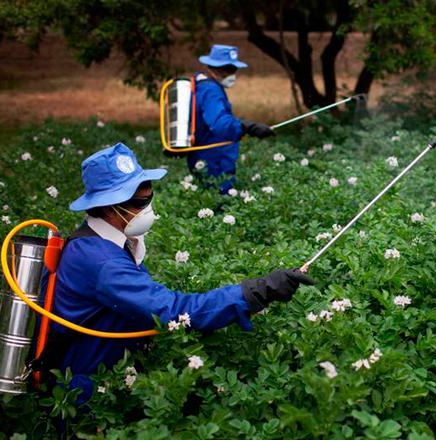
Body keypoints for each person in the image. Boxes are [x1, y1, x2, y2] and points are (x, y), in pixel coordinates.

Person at [39, 143, 313, 404]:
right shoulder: (103, 263)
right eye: (138, 202)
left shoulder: (100, 241)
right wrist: (256, 291)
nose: (147, 209)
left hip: (110, 375)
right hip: (86, 393)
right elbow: (172, 310)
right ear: (110, 206)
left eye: (150, 198)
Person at [185, 44, 274, 193]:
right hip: (214, 161)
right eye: (227, 69)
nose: (231, 74)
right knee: (219, 202)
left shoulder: (202, 85)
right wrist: (248, 127)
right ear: (212, 67)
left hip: (210, 158)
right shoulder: (210, 90)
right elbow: (220, 123)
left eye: (233, 69)